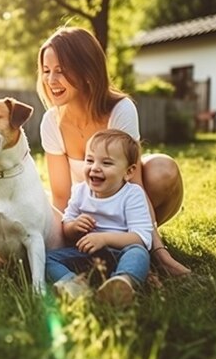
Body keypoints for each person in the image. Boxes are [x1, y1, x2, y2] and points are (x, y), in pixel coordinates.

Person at [37, 26, 190, 277]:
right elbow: (62, 198)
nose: (51, 80)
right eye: (46, 71)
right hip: (84, 210)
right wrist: (73, 230)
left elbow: (136, 186)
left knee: (163, 168)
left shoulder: (120, 109)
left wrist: (160, 253)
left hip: (122, 202)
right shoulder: (51, 121)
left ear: (86, 69)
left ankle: (138, 241)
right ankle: (111, 251)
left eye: (61, 71)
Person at [46, 129, 152, 306]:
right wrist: (73, 227)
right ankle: (74, 285)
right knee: (46, 258)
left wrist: (103, 238)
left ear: (128, 172)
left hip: (121, 252)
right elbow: (66, 225)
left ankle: (122, 283)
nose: (95, 167)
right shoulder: (80, 191)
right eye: (89, 160)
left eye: (107, 163)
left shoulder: (132, 194)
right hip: (86, 253)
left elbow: (141, 238)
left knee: (138, 253)